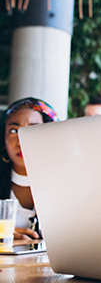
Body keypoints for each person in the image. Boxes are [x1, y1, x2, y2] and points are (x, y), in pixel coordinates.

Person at [1, 97, 58, 239]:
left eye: (33, 130)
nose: (21, 141)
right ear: (3, 139)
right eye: (14, 131)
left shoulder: (69, 184)